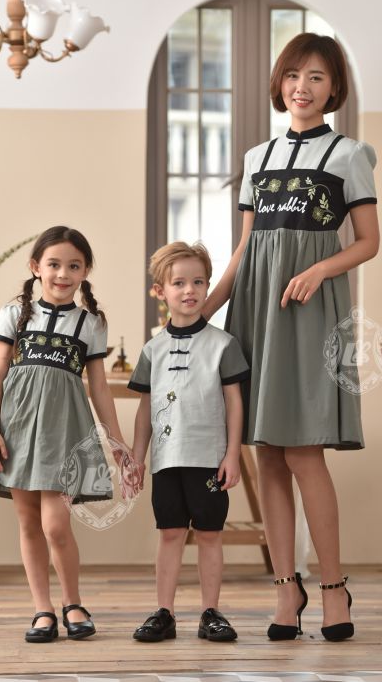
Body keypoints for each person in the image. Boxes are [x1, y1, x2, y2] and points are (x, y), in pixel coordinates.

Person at [203, 33, 379, 642]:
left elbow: (368, 241)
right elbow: (246, 249)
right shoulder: (257, 157)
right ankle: (286, 589)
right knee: (268, 452)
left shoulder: (349, 155)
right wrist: (203, 313)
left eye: (317, 77)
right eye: (294, 76)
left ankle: (332, 588)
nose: (302, 87)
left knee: (304, 452)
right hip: (256, 307)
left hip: (308, 309)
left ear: (334, 89)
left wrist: (320, 269)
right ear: (280, 83)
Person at [0, 226, 137, 643]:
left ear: (85, 271)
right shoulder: (14, 313)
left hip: (64, 432)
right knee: (28, 522)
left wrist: (116, 443)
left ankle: (73, 602)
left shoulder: (90, 323)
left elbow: (99, 387)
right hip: (17, 428)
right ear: (36, 267)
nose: (63, 273)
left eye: (74, 265)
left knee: (55, 525)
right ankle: (43, 610)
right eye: (53, 264)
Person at [129, 242, 249, 642]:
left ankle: (210, 612)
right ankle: (163, 612)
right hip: (166, 460)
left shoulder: (223, 345)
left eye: (198, 282)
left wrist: (232, 454)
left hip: (210, 458)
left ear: (207, 286)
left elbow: (234, 403)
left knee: (210, 533)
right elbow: (145, 409)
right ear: (160, 291)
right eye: (178, 282)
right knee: (170, 533)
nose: (189, 290)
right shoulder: (152, 350)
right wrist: (137, 458)